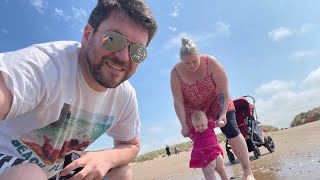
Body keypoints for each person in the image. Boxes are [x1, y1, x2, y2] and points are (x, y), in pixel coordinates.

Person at [0, 0, 157, 179]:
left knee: (121, 173)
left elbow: (131, 145)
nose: (123, 57)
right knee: (27, 175)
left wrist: (105, 157)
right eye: (113, 39)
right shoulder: (48, 65)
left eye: (137, 52)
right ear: (88, 34)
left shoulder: (124, 95)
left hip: (56, 172)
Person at [170, 37, 255, 180]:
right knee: (202, 141)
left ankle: (248, 173)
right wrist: (183, 125)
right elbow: (178, 101)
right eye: (187, 63)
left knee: (230, 128)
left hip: (216, 98)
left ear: (199, 55)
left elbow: (224, 89)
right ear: (181, 61)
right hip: (192, 108)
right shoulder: (175, 73)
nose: (192, 65)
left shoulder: (211, 63)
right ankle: (220, 175)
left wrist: (222, 115)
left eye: (195, 61)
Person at [190, 111, 228, 180]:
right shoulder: (195, 130)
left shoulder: (210, 125)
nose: (200, 128)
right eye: (197, 126)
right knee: (220, 171)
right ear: (193, 125)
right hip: (214, 155)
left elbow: (217, 123)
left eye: (202, 125)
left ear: (207, 121)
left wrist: (220, 123)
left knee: (212, 174)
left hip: (209, 157)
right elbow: (187, 133)